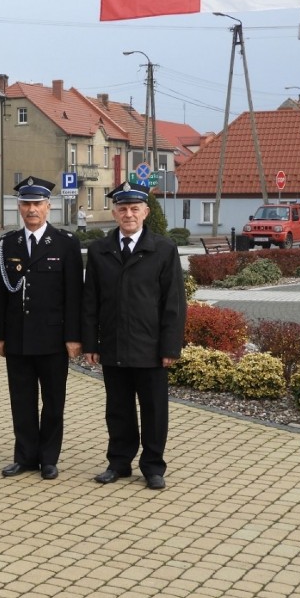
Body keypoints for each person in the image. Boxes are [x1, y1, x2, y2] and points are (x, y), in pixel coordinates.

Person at [82, 181, 186, 490]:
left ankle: (153, 466)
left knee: (154, 410)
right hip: (112, 343)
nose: (128, 214)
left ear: (145, 212)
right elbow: (91, 300)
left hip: (150, 346)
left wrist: (170, 346)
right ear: (114, 213)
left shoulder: (163, 249)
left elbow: (174, 303)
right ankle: (119, 462)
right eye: (122, 209)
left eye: (134, 209)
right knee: (118, 408)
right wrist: (91, 342)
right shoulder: (100, 250)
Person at [0, 176, 82, 480]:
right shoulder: (9, 243)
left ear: (48, 207)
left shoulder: (65, 243)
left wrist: (73, 336)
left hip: (54, 338)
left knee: (53, 402)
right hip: (18, 337)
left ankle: (48, 459)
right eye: (26, 204)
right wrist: (0, 334)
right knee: (22, 400)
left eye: (37, 204)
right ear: (19, 207)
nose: (31, 209)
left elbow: (74, 294)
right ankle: (25, 456)